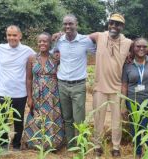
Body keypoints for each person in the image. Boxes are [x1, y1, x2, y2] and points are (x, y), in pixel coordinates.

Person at [88, 13, 148, 157]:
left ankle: (116, 147)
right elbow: (78, 40)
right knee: (98, 119)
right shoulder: (98, 36)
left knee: (117, 120)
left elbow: (145, 51)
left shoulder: (128, 42)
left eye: (117, 24)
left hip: (118, 88)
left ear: (122, 26)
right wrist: (60, 35)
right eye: (112, 23)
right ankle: (97, 145)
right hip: (99, 87)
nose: (114, 26)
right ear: (108, 23)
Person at [53, 14, 95, 148]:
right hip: (62, 84)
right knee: (67, 117)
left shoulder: (85, 40)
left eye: (70, 23)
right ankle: (71, 145)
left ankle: (81, 144)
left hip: (79, 85)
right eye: (65, 24)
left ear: (76, 24)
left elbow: (98, 53)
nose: (67, 26)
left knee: (79, 118)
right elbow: (49, 52)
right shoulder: (59, 41)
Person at [0, 25, 36, 150]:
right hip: (2, 92)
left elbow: (40, 58)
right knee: (1, 121)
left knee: (18, 121)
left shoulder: (28, 51)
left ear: (20, 36)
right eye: (9, 35)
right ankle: (2, 144)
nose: (11, 37)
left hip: (20, 93)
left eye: (14, 35)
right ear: (6, 36)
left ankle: (17, 145)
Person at [22, 32, 64, 150]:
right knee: (36, 116)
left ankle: (53, 144)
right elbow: (29, 78)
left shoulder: (55, 58)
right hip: (37, 93)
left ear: (49, 43)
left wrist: (59, 35)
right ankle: (35, 143)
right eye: (40, 41)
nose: (42, 43)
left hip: (52, 93)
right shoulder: (32, 58)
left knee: (52, 116)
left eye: (45, 41)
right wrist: (29, 97)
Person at [121, 38, 148, 158]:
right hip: (132, 102)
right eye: (138, 46)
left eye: (144, 46)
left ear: (147, 48)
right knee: (135, 128)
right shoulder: (127, 64)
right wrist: (123, 104)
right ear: (133, 48)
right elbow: (124, 85)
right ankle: (138, 153)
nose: (141, 49)